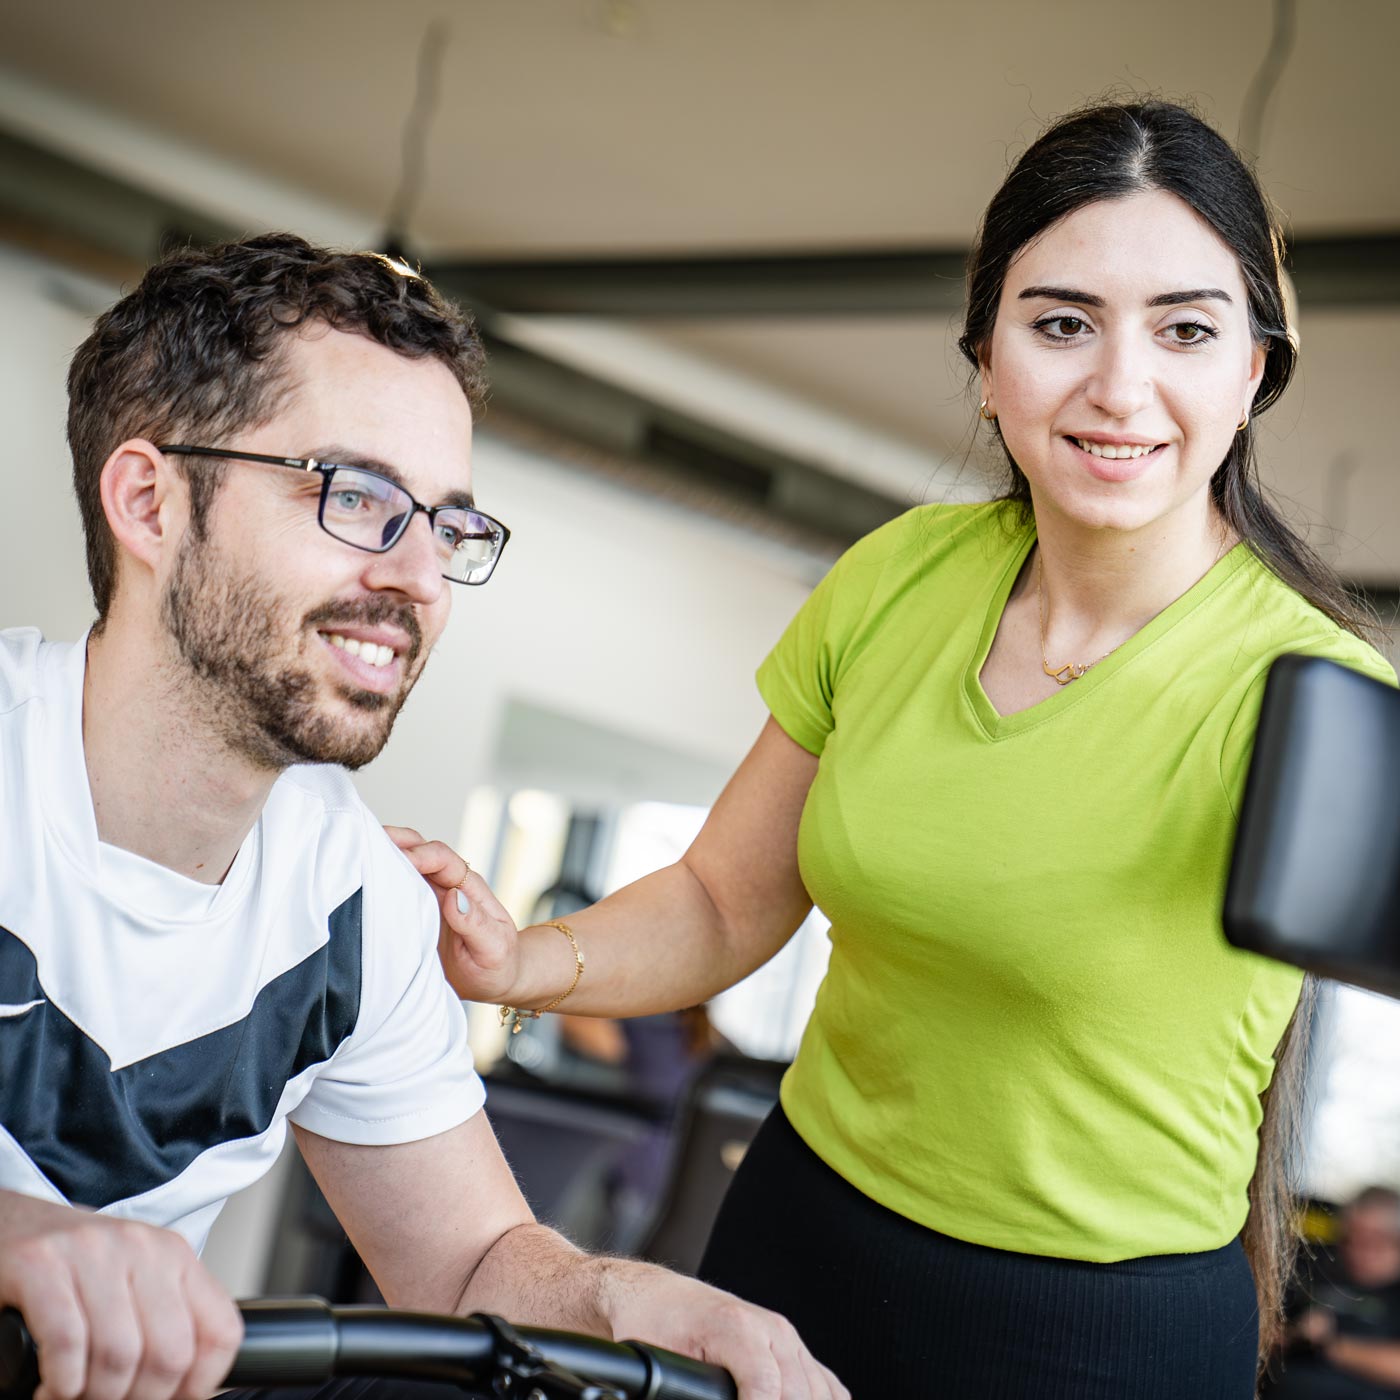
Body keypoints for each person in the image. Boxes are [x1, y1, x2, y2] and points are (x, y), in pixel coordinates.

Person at [397, 100, 1397, 1400]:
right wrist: (522, 958)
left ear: (1253, 371)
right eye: (1060, 323)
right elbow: (718, 899)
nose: (1119, 385)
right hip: (795, 1246)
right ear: (986, 358)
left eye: (1188, 330)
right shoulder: (900, 580)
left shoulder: (1313, 692)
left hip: (1099, 1345)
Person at [0, 234, 845, 1400]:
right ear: (149, 500)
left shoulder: (354, 901)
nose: (420, 578)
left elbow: (469, 1264)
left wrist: (639, 1302)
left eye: (444, 523)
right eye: (355, 497)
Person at [1267, 1188, 1400, 1398]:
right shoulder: (1316, 1272)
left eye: (1373, 1240)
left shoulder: (1394, 1295)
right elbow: (1267, 1334)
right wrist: (1297, 1336)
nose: (1359, 1250)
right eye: (1350, 1238)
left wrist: (1329, 1345)